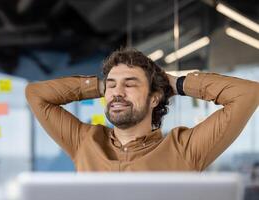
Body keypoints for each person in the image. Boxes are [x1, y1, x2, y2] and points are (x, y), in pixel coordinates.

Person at [25, 48, 259, 172]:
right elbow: (35, 94)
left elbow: (248, 94)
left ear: (155, 97)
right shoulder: (84, 141)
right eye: (112, 84)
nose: (117, 92)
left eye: (130, 84)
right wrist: (99, 86)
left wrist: (176, 83)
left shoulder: (186, 149)